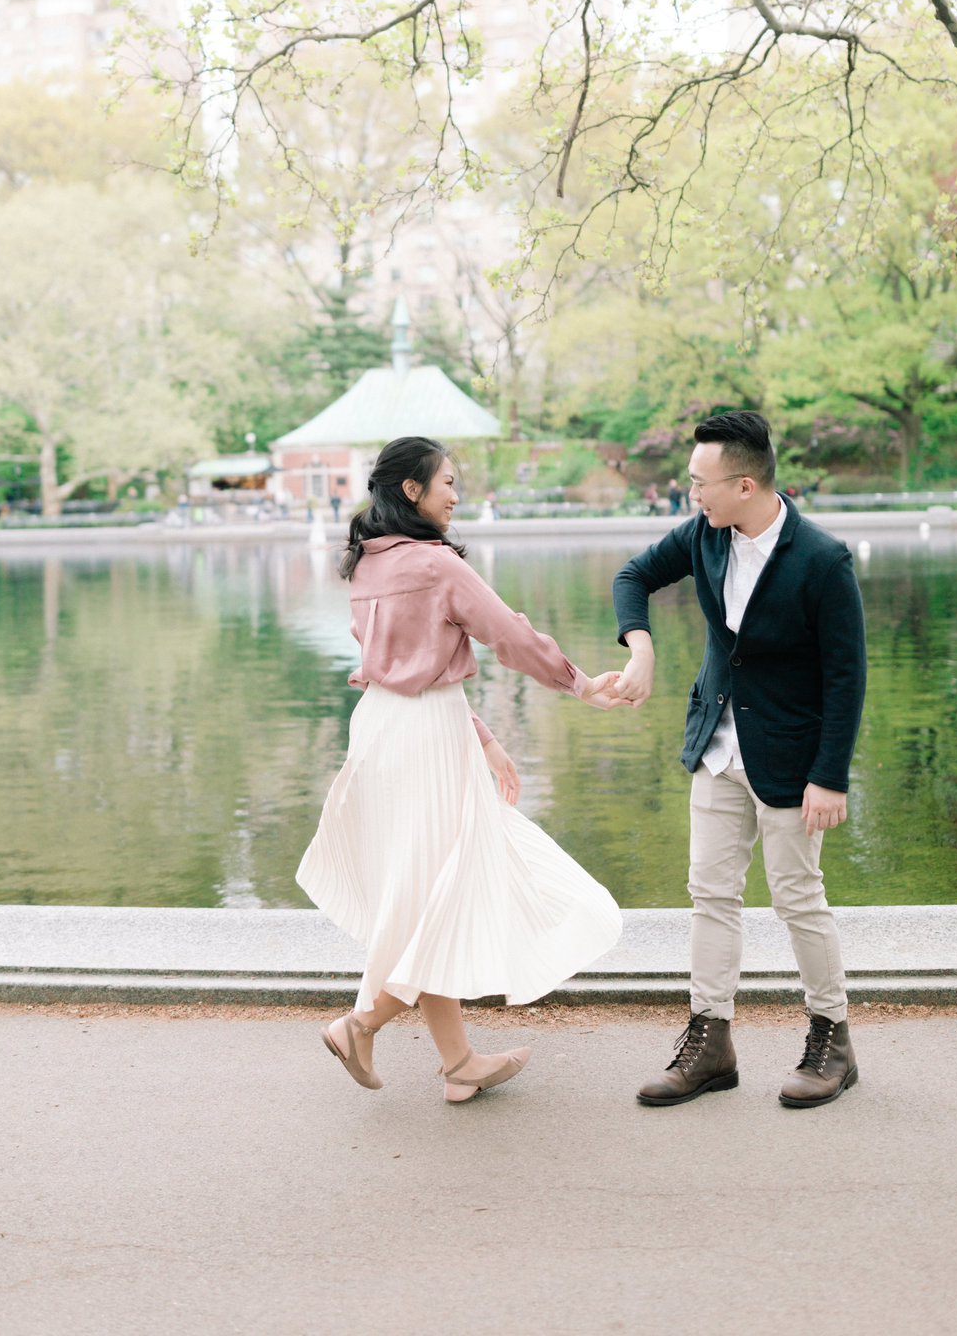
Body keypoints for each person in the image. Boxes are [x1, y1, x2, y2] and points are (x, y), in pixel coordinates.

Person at [298, 436, 624, 1103]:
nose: (457, 494)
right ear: (411, 490)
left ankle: (458, 1062)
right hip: (424, 741)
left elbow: (404, 670)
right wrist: (582, 684)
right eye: (447, 482)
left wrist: (482, 736)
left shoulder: (365, 565)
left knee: (428, 890)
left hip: (384, 732)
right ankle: (362, 1024)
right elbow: (509, 636)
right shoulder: (438, 565)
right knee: (443, 889)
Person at [611, 411, 866, 1110]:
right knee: (710, 896)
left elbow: (847, 677)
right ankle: (712, 1041)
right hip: (715, 750)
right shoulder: (705, 536)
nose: (690, 492)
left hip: (790, 758)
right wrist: (643, 645)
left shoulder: (822, 559)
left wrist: (830, 775)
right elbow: (633, 575)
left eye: (700, 482)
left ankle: (832, 1039)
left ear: (745, 485)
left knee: (796, 898)